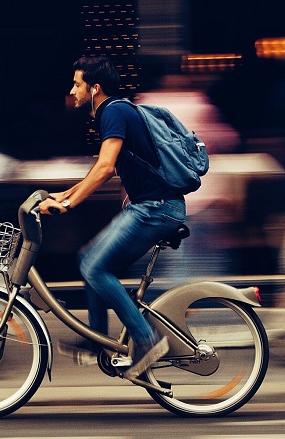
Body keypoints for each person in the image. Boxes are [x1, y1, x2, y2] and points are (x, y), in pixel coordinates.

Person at [38, 56, 185, 376]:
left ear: (95, 88)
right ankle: (98, 340)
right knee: (89, 256)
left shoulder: (113, 111)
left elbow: (105, 167)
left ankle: (146, 340)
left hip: (156, 208)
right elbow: (104, 170)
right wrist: (65, 194)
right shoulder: (116, 110)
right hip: (150, 206)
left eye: (77, 84)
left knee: (94, 266)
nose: (72, 90)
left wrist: (69, 205)